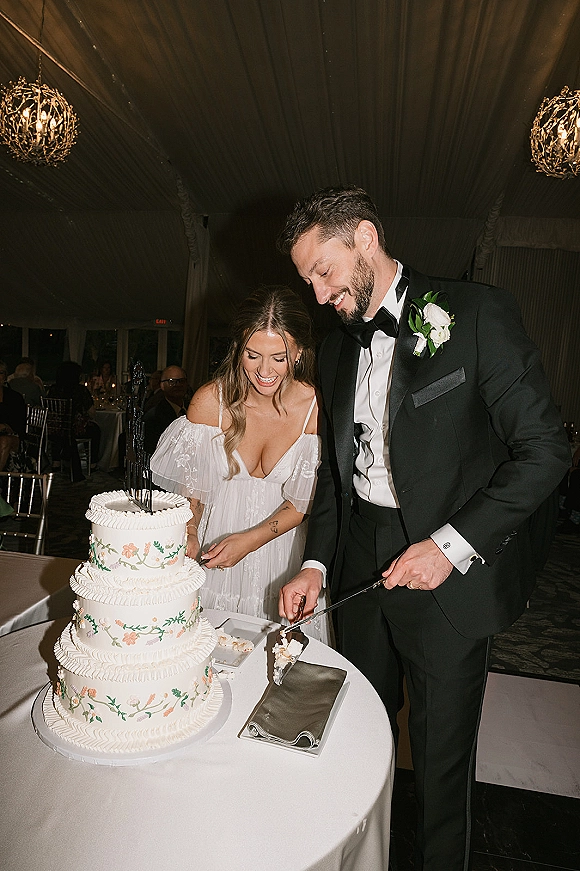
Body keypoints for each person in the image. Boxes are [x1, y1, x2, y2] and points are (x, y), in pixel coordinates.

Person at [276, 185, 570, 871]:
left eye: (323, 271)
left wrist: (449, 546)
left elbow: (546, 450)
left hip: (448, 585)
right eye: (307, 280)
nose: (318, 295)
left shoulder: (474, 314)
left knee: (440, 770)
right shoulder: (337, 347)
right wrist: (317, 564)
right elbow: (335, 475)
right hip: (359, 568)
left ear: (366, 239)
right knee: (362, 744)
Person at [150, 286, 330, 643]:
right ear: (238, 349)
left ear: (298, 353)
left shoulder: (314, 409)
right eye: (252, 355)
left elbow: (301, 504)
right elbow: (192, 494)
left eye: (279, 357)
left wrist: (248, 541)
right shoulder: (208, 401)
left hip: (281, 555)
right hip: (212, 552)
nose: (264, 371)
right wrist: (189, 532)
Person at [48, 361, 101, 481]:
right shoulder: (80, 390)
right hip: (75, 429)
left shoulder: (54, 389)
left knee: (62, 428)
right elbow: (91, 412)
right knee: (96, 430)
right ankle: (92, 463)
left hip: (55, 429)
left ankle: (56, 461)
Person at [143, 365, 189, 455]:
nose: (178, 385)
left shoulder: (192, 408)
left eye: (181, 381)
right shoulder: (154, 417)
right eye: (172, 382)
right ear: (162, 386)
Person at [0, 360, 26, 471]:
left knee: (4, 441)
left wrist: (5, 426)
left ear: (5, 376)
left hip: (13, 437)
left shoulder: (14, 397)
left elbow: (19, 425)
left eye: (0, 373)